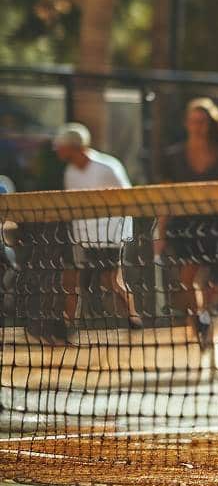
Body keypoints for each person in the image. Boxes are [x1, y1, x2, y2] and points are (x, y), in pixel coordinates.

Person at [154, 98, 218, 350]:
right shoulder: (173, 157)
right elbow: (166, 197)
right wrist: (160, 232)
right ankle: (198, 322)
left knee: (214, 284)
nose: (198, 126)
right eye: (193, 121)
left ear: (210, 124)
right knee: (186, 278)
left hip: (214, 225)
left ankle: (208, 316)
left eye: (202, 121)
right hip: (183, 227)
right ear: (187, 123)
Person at [53, 123, 142, 335]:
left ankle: (133, 318)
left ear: (74, 146)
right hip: (82, 235)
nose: (57, 150)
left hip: (110, 235)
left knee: (110, 280)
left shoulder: (108, 167)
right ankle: (68, 324)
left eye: (61, 146)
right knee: (72, 278)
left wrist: (120, 231)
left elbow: (127, 197)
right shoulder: (70, 171)